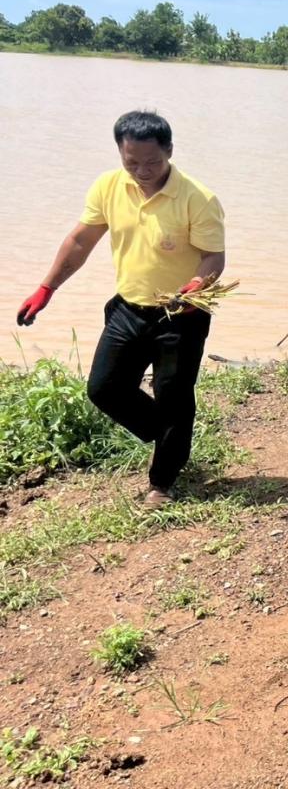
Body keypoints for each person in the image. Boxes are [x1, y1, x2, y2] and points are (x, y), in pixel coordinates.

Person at [15, 110, 225, 508]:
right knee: (104, 388)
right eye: (132, 162)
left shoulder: (199, 198)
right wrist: (47, 287)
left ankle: (162, 483)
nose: (142, 171)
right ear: (119, 154)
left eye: (152, 162)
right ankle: (170, 434)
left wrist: (194, 287)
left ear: (170, 152)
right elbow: (81, 240)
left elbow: (213, 259)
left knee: (173, 396)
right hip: (127, 309)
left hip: (181, 316)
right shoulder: (109, 187)